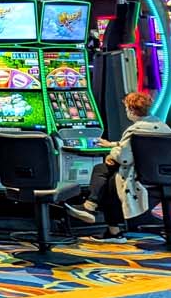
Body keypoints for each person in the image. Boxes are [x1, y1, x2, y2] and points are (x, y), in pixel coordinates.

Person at [66, 91, 171, 237]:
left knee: (103, 173)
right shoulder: (163, 127)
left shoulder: (135, 129)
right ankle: (98, 214)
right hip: (162, 179)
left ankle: (93, 210)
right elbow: (140, 147)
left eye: (127, 109)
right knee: (109, 178)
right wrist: (113, 145)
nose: (127, 112)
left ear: (132, 110)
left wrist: (112, 153)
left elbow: (124, 157)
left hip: (137, 181)